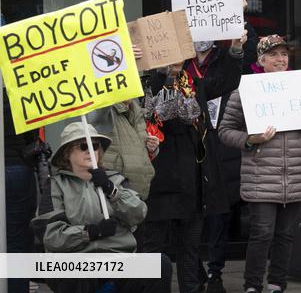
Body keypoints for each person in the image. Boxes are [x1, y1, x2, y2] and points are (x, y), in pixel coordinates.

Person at [142, 34, 245, 293]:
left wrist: (235, 49)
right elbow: (161, 114)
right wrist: (167, 77)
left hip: (192, 184)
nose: (176, 58)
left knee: (189, 251)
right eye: (170, 53)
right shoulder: (148, 84)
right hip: (160, 185)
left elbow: (226, 82)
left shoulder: (193, 83)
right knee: (154, 254)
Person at [218, 35, 301, 293]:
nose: (281, 59)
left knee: (285, 234)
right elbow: (225, 130)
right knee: (262, 234)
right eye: (274, 55)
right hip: (261, 175)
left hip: (293, 173)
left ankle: (276, 285)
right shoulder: (246, 91)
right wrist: (251, 139)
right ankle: (252, 286)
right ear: (261, 59)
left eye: (284, 54)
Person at [32, 121, 171, 293]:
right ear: (68, 153)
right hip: (78, 261)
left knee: (160, 265)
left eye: (95, 146)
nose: (91, 150)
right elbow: (51, 235)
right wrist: (90, 232)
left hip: (117, 259)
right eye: (84, 146)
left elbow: (139, 213)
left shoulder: (115, 180)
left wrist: (112, 191)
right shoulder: (55, 185)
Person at [4, 92, 39, 293]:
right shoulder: (21, 92)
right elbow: (32, 137)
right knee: (17, 243)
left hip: (14, 166)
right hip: (17, 167)